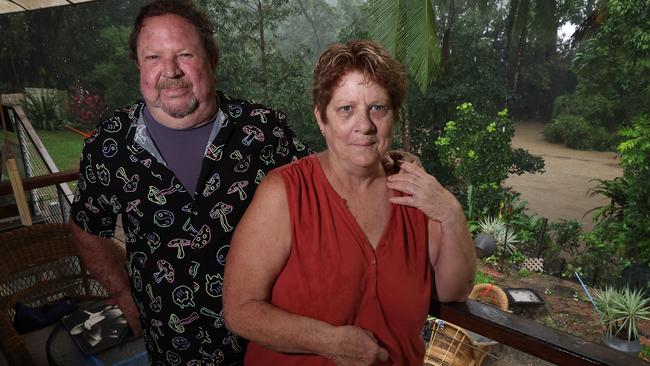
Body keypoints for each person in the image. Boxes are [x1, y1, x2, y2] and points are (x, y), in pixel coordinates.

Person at [69, 1, 413, 364]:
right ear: (138, 65)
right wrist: (123, 293)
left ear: (212, 59)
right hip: (172, 343)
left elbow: (328, 183)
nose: (169, 71)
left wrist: (386, 162)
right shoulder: (109, 145)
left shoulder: (263, 131)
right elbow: (87, 227)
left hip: (271, 340)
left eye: (185, 54)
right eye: (153, 57)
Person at [222, 40, 477, 366]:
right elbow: (240, 311)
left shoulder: (414, 192)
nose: (365, 125)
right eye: (346, 109)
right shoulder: (284, 193)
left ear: (393, 115)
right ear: (321, 118)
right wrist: (331, 342)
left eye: (378, 108)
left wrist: (451, 212)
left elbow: (452, 291)